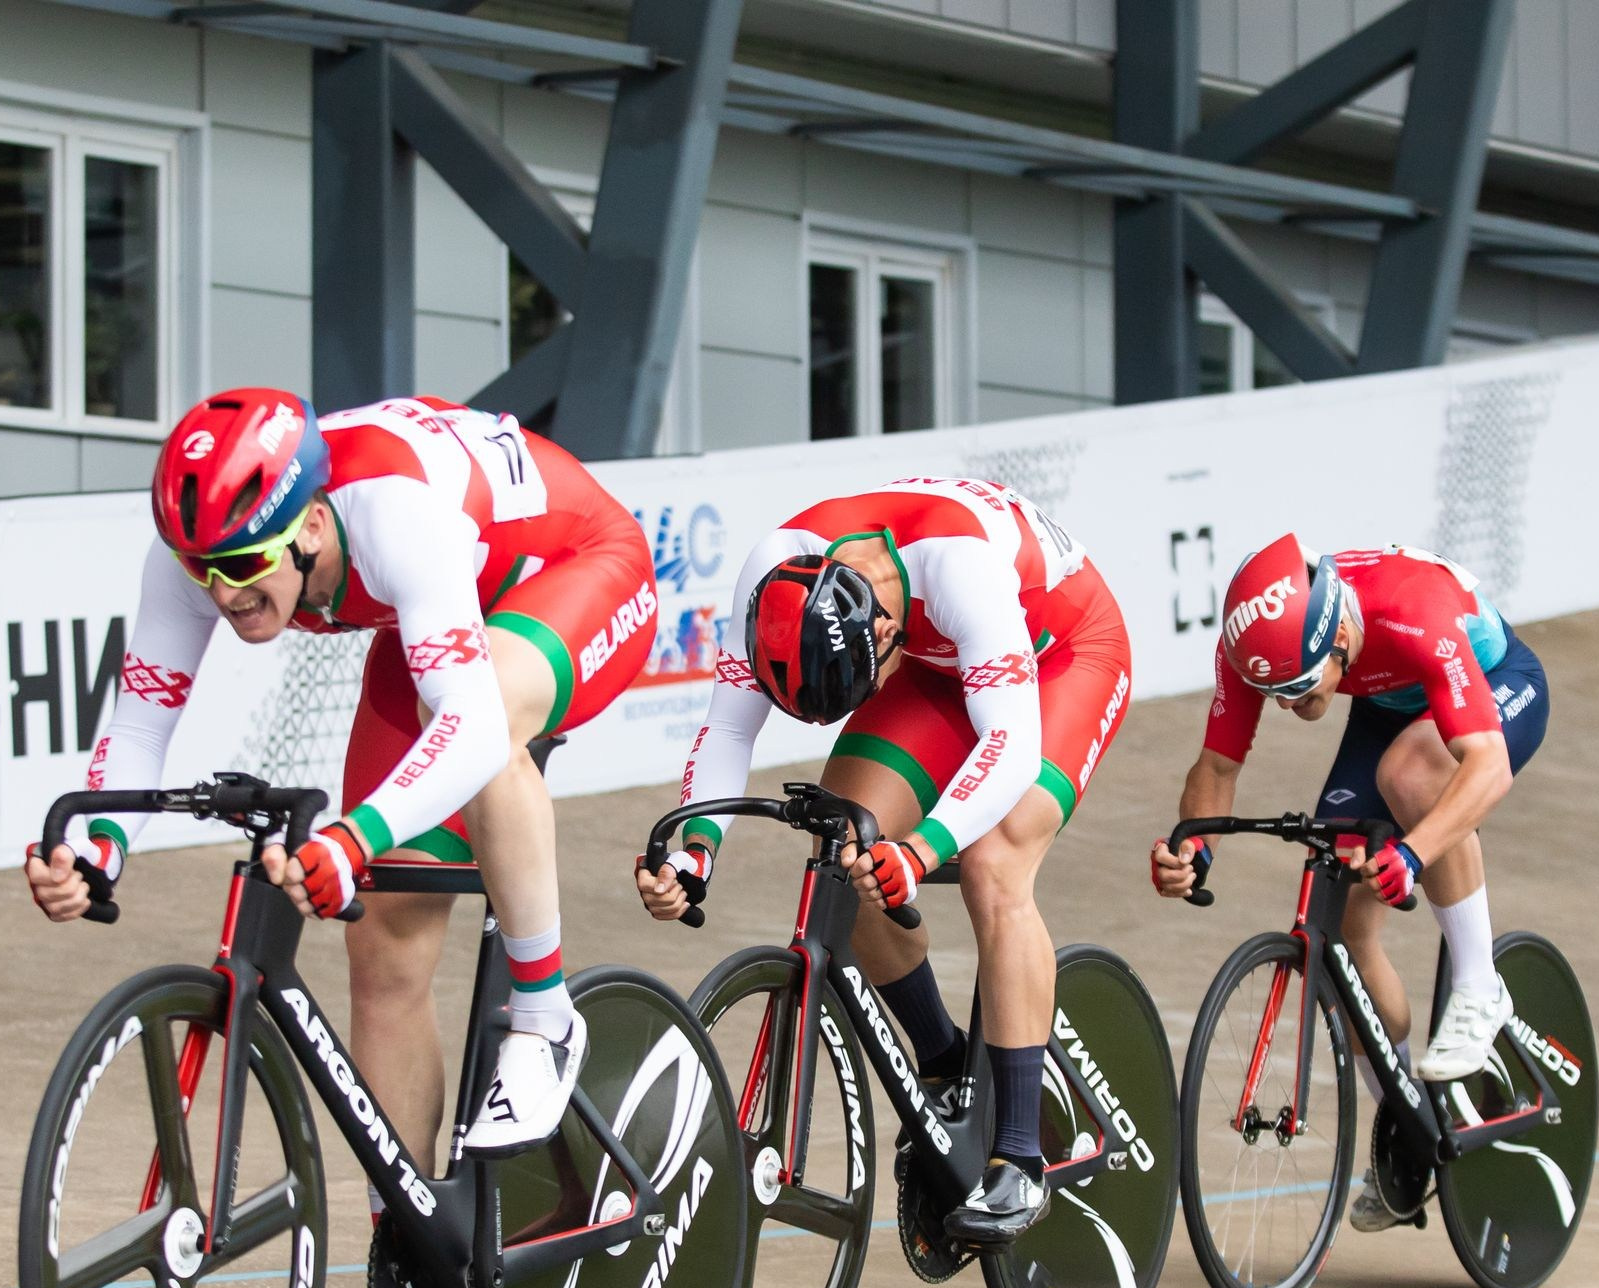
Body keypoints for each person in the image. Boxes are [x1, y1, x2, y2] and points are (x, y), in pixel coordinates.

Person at [25, 387, 658, 1288]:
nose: (220, 594)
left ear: (310, 522)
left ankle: (543, 1016)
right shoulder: (201, 547)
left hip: (574, 567)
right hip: (432, 622)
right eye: (199, 570)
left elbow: (458, 720)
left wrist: (356, 836)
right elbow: (139, 723)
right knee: (383, 959)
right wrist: (92, 847)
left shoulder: (389, 509)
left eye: (239, 567)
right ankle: (409, 1280)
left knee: (488, 717)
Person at [639, 478, 1131, 1244]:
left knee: (993, 866)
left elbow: (1010, 748)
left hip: (1064, 653)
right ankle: (942, 1061)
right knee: (842, 847)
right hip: (935, 668)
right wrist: (696, 853)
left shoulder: (962, 570)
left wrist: (921, 847)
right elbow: (729, 732)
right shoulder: (778, 574)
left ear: (885, 631)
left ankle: (1021, 1160)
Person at [1148, 535, 1549, 1230]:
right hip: (1387, 702)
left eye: (1299, 688)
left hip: (1494, 684)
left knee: (1412, 775)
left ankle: (1480, 985)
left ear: (1337, 636)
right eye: (1271, 691)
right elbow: (1216, 770)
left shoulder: (1411, 610)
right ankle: (1407, 1121)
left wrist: (1416, 854)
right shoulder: (1258, 645)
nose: (1284, 705)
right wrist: (1197, 851)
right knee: (1338, 919)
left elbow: (1485, 766)